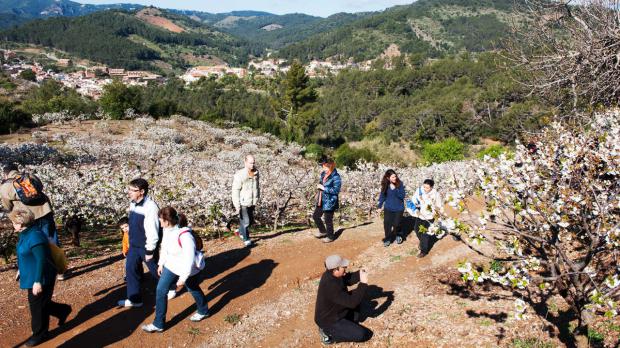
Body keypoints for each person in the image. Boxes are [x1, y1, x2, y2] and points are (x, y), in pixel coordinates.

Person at [10, 209, 71, 347]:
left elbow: (41, 260)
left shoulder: (35, 236)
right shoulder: (25, 234)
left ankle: (40, 334)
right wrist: (20, 269)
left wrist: (38, 281)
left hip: (41, 276)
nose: (13, 224)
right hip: (31, 273)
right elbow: (25, 253)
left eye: (14, 222)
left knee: (37, 306)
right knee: (41, 303)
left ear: (21, 223)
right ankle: (62, 310)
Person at [142, 207, 209, 333]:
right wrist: (161, 263)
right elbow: (164, 247)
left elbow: (189, 260)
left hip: (187, 269)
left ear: (167, 221)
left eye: (161, 220)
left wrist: (183, 279)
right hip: (171, 266)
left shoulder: (185, 236)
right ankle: (158, 323)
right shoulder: (167, 230)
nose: (160, 223)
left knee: (192, 288)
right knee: (161, 290)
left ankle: (203, 310)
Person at [118, 178, 163, 307]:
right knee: (131, 269)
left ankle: (172, 286)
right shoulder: (133, 204)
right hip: (134, 245)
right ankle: (134, 299)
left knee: (155, 269)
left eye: (133, 190)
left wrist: (150, 250)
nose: (129, 192)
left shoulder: (150, 207)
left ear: (142, 191)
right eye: (129, 189)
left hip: (146, 246)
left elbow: (152, 230)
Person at [314, 254, 372, 344]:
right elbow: (352, 303)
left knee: (356, 295)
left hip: (336, 311)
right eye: (343, 267)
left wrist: (360, 273)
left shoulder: (334, 275)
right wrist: (363, 284)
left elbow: (348, 279)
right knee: (362, 334)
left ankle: (347, 327)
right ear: (335, 269)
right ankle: (328, 333)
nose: (345, 267)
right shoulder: (330, 284)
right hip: (329, 320)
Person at [231, 155, 260, 247]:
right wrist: (237, 205)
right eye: (250, 163)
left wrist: (257, 197)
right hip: (243, 202)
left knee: (250, 221)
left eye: (253, 162)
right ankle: (246, 239)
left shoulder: (256, 172)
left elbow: (257, 186)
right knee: (246, 222)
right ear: (245, 162)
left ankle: (239, 231)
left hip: (252, 201)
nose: (252, 164)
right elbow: (235, 190)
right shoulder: (239, 174)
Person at [411, 179, 443, 257]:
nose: (425, 189)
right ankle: (422, 242)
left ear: (431, 187)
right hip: (421, 215)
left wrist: (436, 216)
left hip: (430, 217)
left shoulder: (436, 194)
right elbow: (414, 199)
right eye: (424, 187)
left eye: (427, 188)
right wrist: (416, 207)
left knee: (425, 233)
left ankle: (424, 251)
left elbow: (439, 206)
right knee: (417, 229)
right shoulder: (419, 191)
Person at [312, 157, 342, 243]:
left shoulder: (336, 177)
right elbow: (321, 184)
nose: (323, 168)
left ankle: (330, 237)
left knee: (328, 219)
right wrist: (318, 192)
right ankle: (323, 231)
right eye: (323, 166)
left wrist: (324, 188)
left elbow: (336, 190)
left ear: (330, 166)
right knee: (316, 216)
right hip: (321, 199)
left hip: (330, 200)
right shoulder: (323, 174)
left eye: (324, 166)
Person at [377, 169, 406, 247]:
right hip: (388, 208)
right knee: (387, 224)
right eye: (392, 177)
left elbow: (402, 196)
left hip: (398, 208)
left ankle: (399, 234)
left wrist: (395, 189)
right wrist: (379, 206)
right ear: (387, 178)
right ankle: (388, 239)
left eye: (395, 176)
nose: (395, 178)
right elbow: (382, 196)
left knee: (396, 224)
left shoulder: (399, 184)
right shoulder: (385, 185)